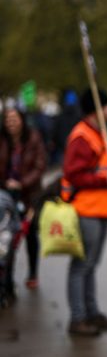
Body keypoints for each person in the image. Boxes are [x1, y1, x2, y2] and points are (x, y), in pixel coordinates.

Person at [61, 89, 107, 336]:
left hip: (101, 209)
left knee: (90, 265)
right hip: (87, 210)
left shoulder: (98, 132)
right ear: (95, 108)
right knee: (82, 266)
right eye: (106, 105)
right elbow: (74, 173)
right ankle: (78, 319)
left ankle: (91, 313)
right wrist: (105, 179)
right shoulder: (82, 136)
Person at [0, 106, 47, 292]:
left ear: (22, 120)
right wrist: (6, 183)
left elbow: (40, 164)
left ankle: (33, 272)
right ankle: (8, 281)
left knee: (30, 235)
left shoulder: (33, 138)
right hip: (5, 196)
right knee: (8, 237)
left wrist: (22, 183)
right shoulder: (2, 140)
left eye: (15, 118)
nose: (11, 123)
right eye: (8, 119)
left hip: (29, 196)